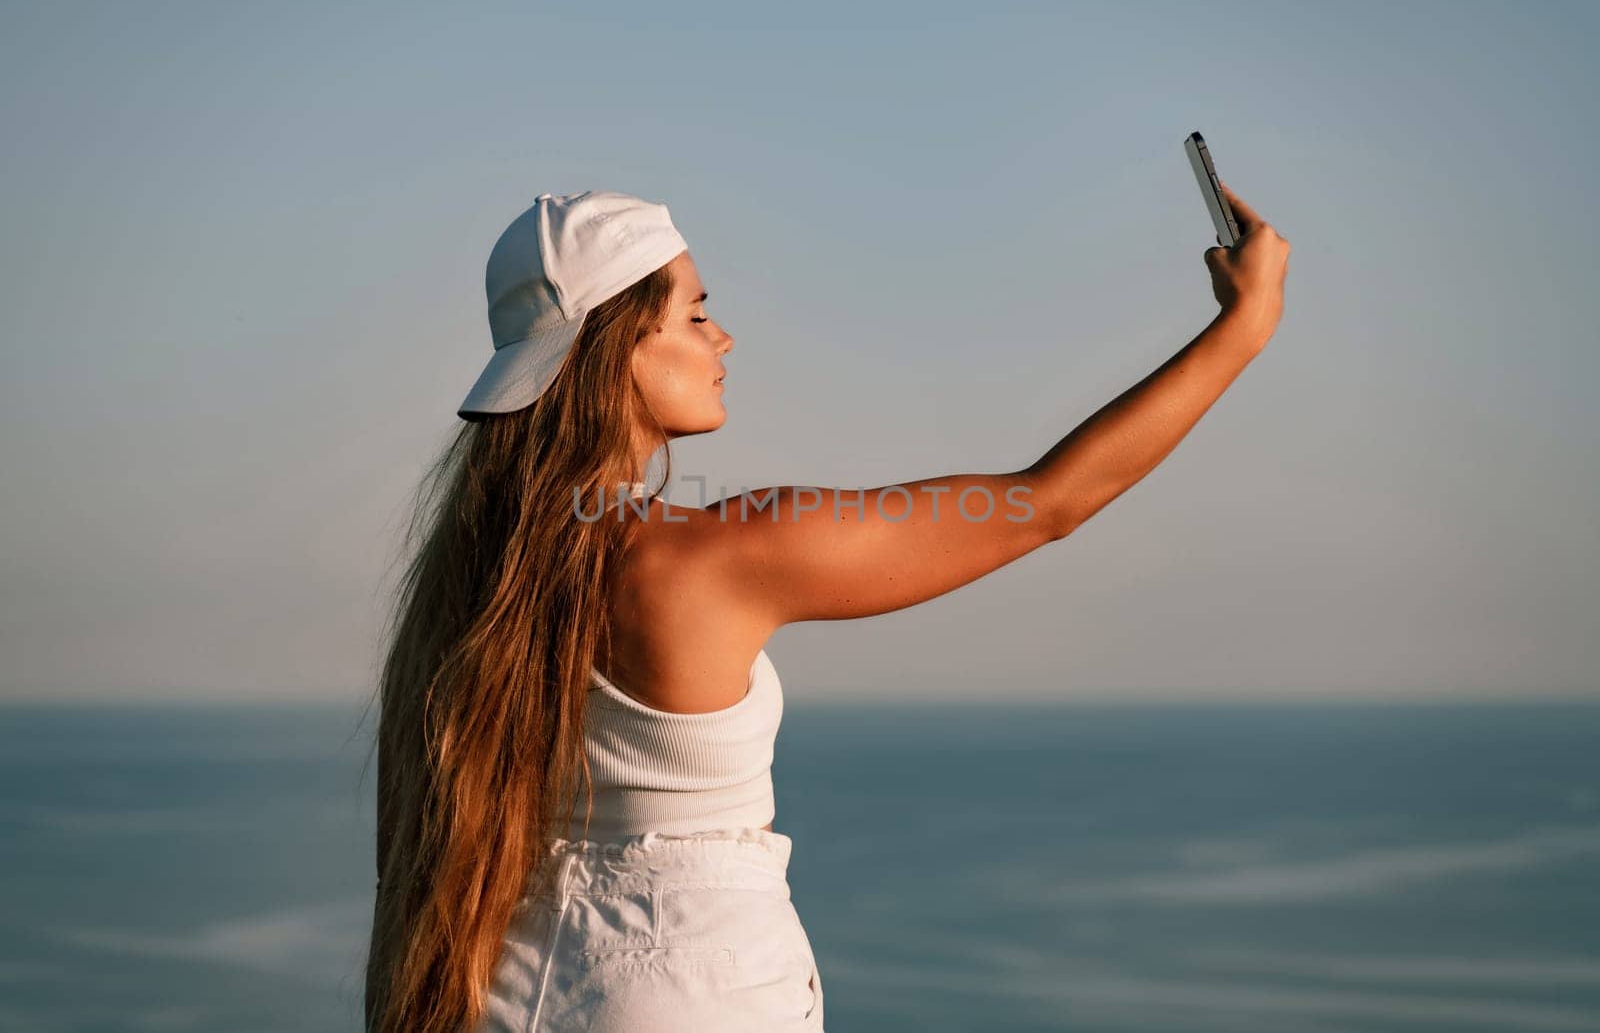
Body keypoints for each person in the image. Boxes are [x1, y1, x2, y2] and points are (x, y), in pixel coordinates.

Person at [362, 183, 1290, 1033]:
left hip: (506, 999)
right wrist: (1245, 327)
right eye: (695, 312)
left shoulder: (464, 588)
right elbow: (1047, 501)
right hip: (691, 1000)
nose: (721, 338)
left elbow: (403, 871)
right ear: (617, 350)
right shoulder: (720, 554)